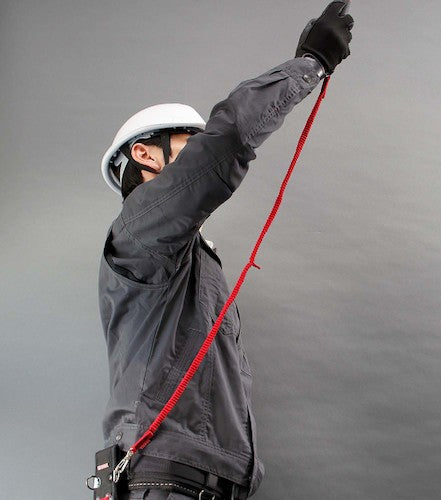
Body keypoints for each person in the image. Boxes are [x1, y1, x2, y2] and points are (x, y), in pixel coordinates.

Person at [97, 2, 354, 498]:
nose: (200, 148)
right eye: (189, 141)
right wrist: (309, 65)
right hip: (168, 484)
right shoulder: (138, 232)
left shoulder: (187, 259)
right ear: (144, 153)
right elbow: (227, 140)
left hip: (207, 486)